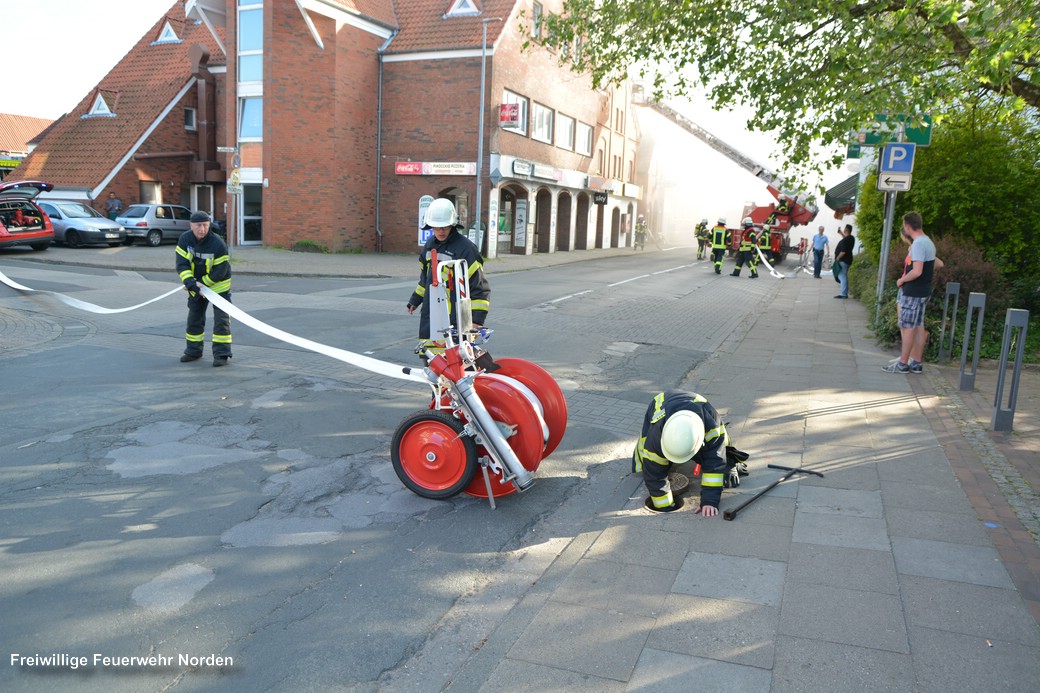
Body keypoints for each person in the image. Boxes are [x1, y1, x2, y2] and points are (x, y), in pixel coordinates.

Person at [632, 390, 748, 515]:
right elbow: (654, 473)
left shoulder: (711, 423)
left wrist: (710, 501)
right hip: (661, 403)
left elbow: (715, 461)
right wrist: (664, 506)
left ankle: (730, 460)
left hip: (699, 407)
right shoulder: (656, 435)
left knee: (721, 446)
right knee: (649, 459)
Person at [406, 198, 490, 361]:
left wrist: (477, 319)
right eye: (436, 227)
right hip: (432, 317)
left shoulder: (466, 249)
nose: (441, 231)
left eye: (444, 226)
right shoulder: (430, 246)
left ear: (452, 224)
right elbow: (425, 280)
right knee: (432, 365)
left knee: (458, 370)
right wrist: (415, 300)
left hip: (458, 319)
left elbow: (479, 288)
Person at [882, 211, 942, 374]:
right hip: (923, 291)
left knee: (907, 327)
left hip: (913, 291)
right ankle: (916, 362)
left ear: (908, 227)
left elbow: (917, 271)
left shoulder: (918, 244)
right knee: (918, 325)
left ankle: (903, 363)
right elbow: (938, 264)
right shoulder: (928, 242)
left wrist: (901, 281)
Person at [175, 211, 232, 366]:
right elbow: (182, 264)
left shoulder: (218, 243)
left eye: (205, 225)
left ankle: (222, 354)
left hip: (218, 287)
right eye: (198, 225)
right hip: (196, 286)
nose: (202, 229)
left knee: (221, 321)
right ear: (191, 225)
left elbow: (220, 271)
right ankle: (193, 351)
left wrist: (202, 283)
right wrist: (190, 283)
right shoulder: (184, 239)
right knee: (194, 318)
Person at [833, 224, 855, 299]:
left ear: (846, 230)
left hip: (843, 260)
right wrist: (841, 233)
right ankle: (844, 292)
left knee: (842, 276)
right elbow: (846, 238)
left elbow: (843, 252)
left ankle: (843, 294)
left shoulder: (845, 240)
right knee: (843, 276)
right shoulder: (851, 238)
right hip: (848, 259)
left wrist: (837, 258)